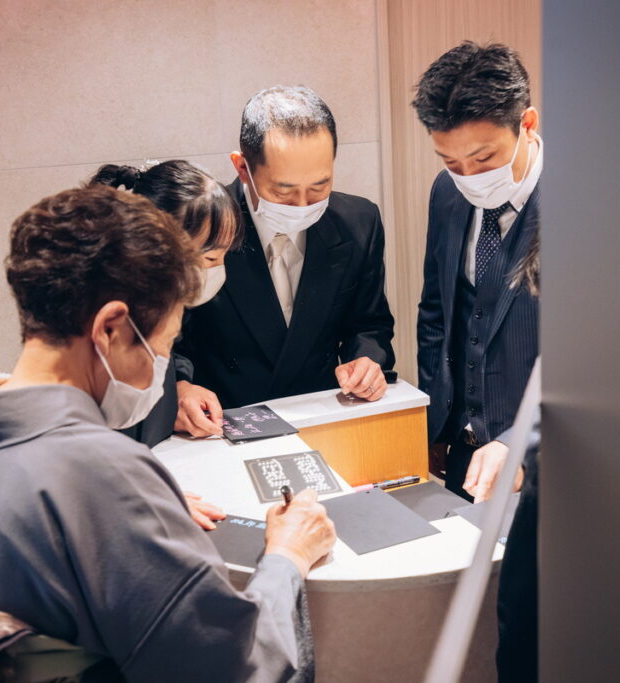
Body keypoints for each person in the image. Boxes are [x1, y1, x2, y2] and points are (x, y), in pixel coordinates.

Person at [0, 185, 336, 681]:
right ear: (111, 329)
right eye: (164, 343)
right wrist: (288, 555)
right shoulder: (103, 478)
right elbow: (240, 667)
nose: (160, 368)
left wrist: (138, 511)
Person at [412, 42, 541, 682]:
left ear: (527, 124)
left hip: (546, 471)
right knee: (470, 617)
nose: (468, 175)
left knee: (530, 630)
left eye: (484, 158)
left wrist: (521, 444)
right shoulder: (448, 193)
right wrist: (436, 424)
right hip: (466, 452)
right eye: (450, 161)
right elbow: (438, 310)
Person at [175, 85, 396, 409]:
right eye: (283, 192)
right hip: (225, 416)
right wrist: (181, 387)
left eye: (320, 186)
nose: (303, 205)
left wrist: (366, 361)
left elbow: (369, 323)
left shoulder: (359, 221)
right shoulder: (202, 224)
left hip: (323, 410)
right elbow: (170, 337)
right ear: (243, 168)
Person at [90, 160, 242, 446]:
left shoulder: (163, 307)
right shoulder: (110, 327)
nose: (218, 271)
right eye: (210, 258)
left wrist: (180, 384)